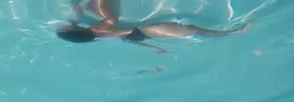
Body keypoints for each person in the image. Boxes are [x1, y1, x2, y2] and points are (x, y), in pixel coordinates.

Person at [58, 0, 250, 53]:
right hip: (142, 32)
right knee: (191, 29)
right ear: (75, 31)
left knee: (188, 30)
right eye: (65, 28)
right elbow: (111, 19)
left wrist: (77, 16)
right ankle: (234, 32)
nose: (64, 27)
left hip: (132, 37)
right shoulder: (97, 29)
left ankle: (159, 48)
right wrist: (99, 5)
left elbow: (117, 32)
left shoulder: (92, 34)